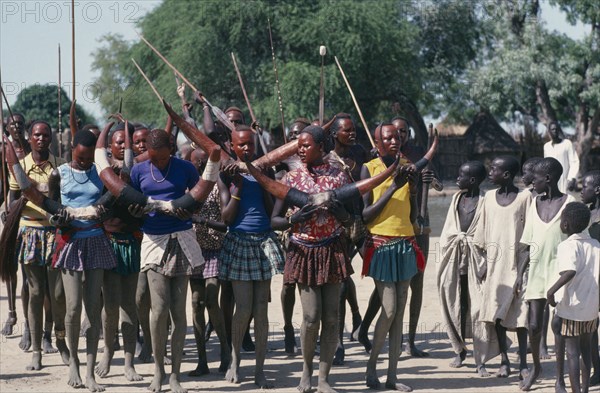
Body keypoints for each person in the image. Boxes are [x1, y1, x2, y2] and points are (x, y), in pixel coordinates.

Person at [128, 128, 212, 393]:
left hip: (182, 238)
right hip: (154, 241)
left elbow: (198, 198)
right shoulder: (139, 171)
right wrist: (137, 212)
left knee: (177, 312)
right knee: (159, 309)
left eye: (163, 158)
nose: (159, 163)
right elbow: (132, 203)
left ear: (172, 152)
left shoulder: (186, 168)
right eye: (153, 158)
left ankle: (174, 374)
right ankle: (158, 370)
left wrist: (186, 208)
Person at [272, 125, 353, 392]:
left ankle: (324, 378)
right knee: (311, 316)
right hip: (303, 251)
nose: (301, 149)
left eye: (306, 145)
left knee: (332, 317)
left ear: (321, 147)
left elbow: (350, 217)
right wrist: (296, 218)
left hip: (332, 250)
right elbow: (275, 220)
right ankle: (305, 372)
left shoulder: (340, 177)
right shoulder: (290, 178)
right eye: (299, 145)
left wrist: (339, 209)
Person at [49, 130, 118, 392]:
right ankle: (73, 364)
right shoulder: (59, 174)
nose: (85, 163)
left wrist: (102, 209)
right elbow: (52, 207)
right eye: (80, 158)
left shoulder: (102, 174)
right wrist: (59, 218)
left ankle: (90, 373)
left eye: (89, 159)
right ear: (71, 153)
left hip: (97, 241)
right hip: (71, 242)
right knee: (73, 308)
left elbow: (110, 202)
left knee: (92, 308)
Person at [218, 125, 284, 388]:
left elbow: (271, 212)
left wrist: (265, 181)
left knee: (261, 310)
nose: (247, 149)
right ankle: (235, 360)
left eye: (251, 144)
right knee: (242, 308)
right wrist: (238, 187)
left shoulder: (264, 169)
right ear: (232, 146)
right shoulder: (227, 174)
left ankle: (260, 369)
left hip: (264, 241)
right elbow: (226, 217)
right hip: (239, 241)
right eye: (241, 144)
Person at [361, 123, 421, 392]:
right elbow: (365, 215)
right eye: (388, 138)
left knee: (399, 314)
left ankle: (393, 376)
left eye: (397, 137)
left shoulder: (408, 166)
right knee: (389, 309)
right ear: (377, 142)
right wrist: (391, 187)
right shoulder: (369, 169)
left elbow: (413, 215)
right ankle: (371, 366)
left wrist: (414, 187)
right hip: (381, 243)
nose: (394, 141)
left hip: (406, 242)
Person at [8, 120, 68, 370]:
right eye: (36, 135)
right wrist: (17, 205)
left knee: (57, 293)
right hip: (30, 232)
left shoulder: (62, 166)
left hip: (55, 232)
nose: (41, 139)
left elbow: (66, 199)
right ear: (29, 138)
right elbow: (12, 202)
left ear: (51, 139)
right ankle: (36, 350)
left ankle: (58, 339)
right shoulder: (21, 166)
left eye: (45, 135)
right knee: (34, 292)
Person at [519, 157, 576, 391]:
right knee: (533, 325)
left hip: (560, 274)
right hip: (537, 272)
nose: (532, 182)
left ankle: (560, 378)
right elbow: (526, 243)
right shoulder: (534, 203)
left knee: (558, 324)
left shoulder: (570, 203)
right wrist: (518, 275)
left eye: (536, 179)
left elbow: (575, 242)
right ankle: (536, 368)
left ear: (549, 179)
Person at [438, 161, 499, 375]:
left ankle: (480, 358)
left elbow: (490, 233)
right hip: (455, 257)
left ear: (472, 180)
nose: (456, 179)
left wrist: (487, 263)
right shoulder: (456, 198)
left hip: (476, 259)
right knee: (456, 304)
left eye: (460, 175)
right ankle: (459, 349)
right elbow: (449, 229)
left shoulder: (486, 202)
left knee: (478, 308)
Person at [474, 156, 530, 379]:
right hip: (495, 265)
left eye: (494, 168)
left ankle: (524, 363)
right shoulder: (487, 198)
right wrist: (483, 265)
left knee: (521, 315)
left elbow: (529, 236)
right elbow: (482, 233)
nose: (490, 171)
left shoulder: (525, 198)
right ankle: (504, 360)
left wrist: (522, 271)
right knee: (496, 315)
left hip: (518, 265)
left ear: (506, 175)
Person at [95, 123, 143, 382]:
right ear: (109, 146)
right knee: (110, 305)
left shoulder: (140, 172)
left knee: (129, 306)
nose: (124, 145)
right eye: (118, 141)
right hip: (110, 242)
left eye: (128, 141)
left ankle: (128, 362)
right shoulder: (101, 172)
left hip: (132, 242)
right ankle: (107, 352)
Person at [546, 202, 600, 393]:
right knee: (586, 350)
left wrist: (550, 292)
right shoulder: (596, 244)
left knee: (572, 352)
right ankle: (584, 390)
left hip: (572, 308)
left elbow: (569, 271)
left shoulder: (567, 246)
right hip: (592, 308)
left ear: (566, 225)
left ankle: (576, 390)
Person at [325, 113, 365, 365]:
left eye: (354, 130)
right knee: (339, 284)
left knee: (380, 274)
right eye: (346, 130)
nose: (352, 134)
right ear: (334, 134)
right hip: (338, 227)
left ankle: (363, 322)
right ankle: (337, 342)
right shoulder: (327, 160)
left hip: (361, 223)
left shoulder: (362, 155)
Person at [188, 147, 231, 375]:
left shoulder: (217, 185)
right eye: (196, 162)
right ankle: (202, 360)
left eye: (203, 162)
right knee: (196, 304)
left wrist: (201, 221)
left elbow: (225, 222)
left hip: (214, 250)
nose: (200, 166)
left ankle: (225, 351)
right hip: (193, 252)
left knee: (212, 300)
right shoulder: (187, 189)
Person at [580, 170, 600, 385]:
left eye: (584, 187)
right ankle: (597, 368)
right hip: (589, 278)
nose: (581, 191)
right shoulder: (583, 214)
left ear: (597, 190)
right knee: (591, 326)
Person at [543, 122, 579, 193]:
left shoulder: (567, 143)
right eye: (553, 129)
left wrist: (572, 178)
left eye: (557, 129)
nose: (555, 131)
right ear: (549, 131)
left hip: (564, 181)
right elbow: (545, 165)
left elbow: (574, 161)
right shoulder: (546, 146)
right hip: (550, 182)